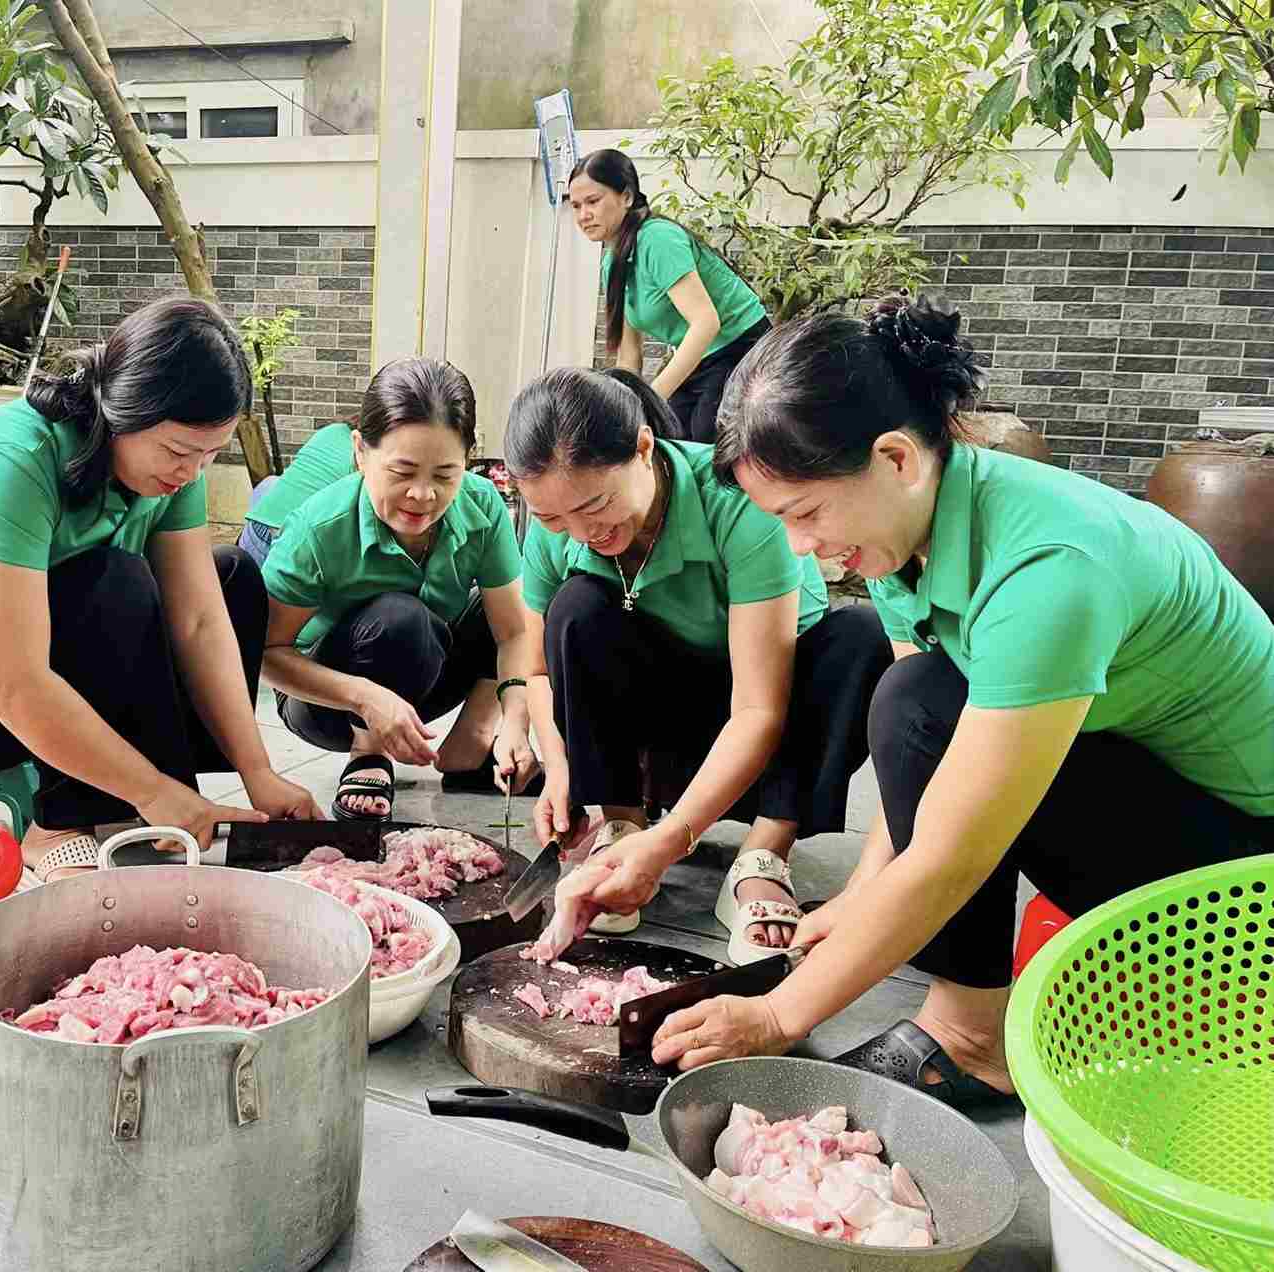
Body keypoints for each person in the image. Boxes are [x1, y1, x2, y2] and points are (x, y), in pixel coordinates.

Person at [645, 295, 1274, 1105]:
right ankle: (964, 1013)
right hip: (1148, 797)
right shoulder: (914, 530)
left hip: (1240, 889)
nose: (802, 547)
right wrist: (863, 892)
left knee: (920, 708)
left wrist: (774, 1015)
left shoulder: (1050, 566)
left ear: (895, 459)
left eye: (804, 513)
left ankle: (974, 1038)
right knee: (912, 692)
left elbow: (950, 848)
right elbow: (918, 743)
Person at [0, 298, 323, 882]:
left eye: (210, 454)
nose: (191, 473)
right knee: (109, 580)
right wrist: (153, 792)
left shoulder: (177, 471)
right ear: (123, 410)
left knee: (232, 579)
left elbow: (198, 617)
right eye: (178, 452)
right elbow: (8, 680)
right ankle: (58, 825)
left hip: (33, 646)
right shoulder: (13, 460)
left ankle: (149, 795)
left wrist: (260, 773)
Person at [507, 366, 891, 943]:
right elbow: (537, 668)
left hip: (772, 719)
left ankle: (763, 857)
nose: (581, 532)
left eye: (596, 505)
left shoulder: (738, 503)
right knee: (577, 607)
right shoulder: (559, 528)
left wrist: (674, 840)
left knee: (860, 636)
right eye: (552, 518)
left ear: (643, 447)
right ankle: (620, 828)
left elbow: (760, 709)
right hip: (661, 729)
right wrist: (559, 768)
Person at [261, 357, 540, 820]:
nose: (423, 495)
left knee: (528, 609)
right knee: (401, 618)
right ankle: (368, 754)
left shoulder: (483, 504)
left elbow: (512, 633)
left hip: (418, 685)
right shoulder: (320, 527)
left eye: (444, 475)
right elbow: (268, 654)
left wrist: (515, 721)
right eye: (402, 472)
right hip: (327, 704)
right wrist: (365, 698)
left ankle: (471, 743)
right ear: (360, 452)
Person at [569, 149, 771, 444]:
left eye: (593, 201)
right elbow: (629, 355)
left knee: (706, 435)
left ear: (626, 196)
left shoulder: (657, 239)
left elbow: (706, 322)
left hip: (741, 346)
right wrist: (629, 408)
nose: (583, 215)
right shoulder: (611, 263)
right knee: (670, 439)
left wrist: (653, 398)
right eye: (575, 206)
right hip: (700, 358)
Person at [237, 420, 356, 567]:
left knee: (271, 483)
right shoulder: (370, 457)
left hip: (253, 534)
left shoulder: (334, 430)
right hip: (287, 551)